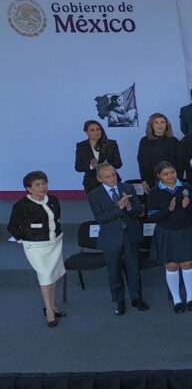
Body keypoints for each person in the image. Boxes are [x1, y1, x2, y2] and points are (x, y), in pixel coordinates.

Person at [88, 163, 148, 316]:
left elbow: (139, 210)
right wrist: (119, 208)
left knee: (133, 268)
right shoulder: (94, 195)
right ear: (99, 179)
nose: (112, 179)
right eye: (107, 177)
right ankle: (119, 301)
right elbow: (100, 218)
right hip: (110, 237)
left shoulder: (127, 188)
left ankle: (136, 298)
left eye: (113, 175)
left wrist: (128, 207)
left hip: (130, 234)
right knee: (114, 272)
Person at [8, 171, 66, 326]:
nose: (42, 187)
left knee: (52, 275)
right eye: (37, 185)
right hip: (36, 247)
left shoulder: (53, 199)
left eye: (44, 183)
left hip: (54, 243)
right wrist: (27, 237)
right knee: (45, 275)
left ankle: (53, 305)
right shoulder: (22, 205)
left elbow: (57, 216)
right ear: (29, 188)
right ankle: (48, 310)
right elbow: (12, 226)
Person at [147, 161, 192, 314]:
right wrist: (169, 209)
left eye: (172, 172)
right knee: (171, 266)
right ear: (159, 176)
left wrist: (187, 207)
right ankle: (177, 299)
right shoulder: (155, 192)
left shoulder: (187, 187)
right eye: (165, 174)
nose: (170, 176)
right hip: (167, 232)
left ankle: (190, 298)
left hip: (186, 230)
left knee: (187, 264)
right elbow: (152, 216)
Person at [75, 120, 122, 192]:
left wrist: (107, 165)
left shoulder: (111, 144)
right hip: (91, 184)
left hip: (111, 182)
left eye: (98, 129)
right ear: (86, 132)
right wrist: (91, 166)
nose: (96, 132)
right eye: (92, 130)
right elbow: (78, 167)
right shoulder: (81, 146)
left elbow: (118, 163)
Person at [137, 113, 180, 191]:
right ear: (151, 125)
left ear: (167, 125)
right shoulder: (144, 141)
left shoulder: (174, 141)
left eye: (162, 122)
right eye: (156, 122)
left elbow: (179, 163)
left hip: (171, 179)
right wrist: (144, 181)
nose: (160, 125)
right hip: (151, 180)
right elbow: (141, 162)